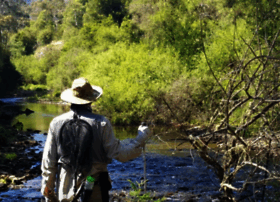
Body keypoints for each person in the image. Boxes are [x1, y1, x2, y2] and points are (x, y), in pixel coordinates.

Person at [41, 77, 151, 202]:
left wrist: (48, 190)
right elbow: (120, 154)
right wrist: (141, 138)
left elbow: (48, 162)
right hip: (93, 183)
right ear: (91, 100)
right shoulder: (101, 122)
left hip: (65, 187)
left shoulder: (56, 123)